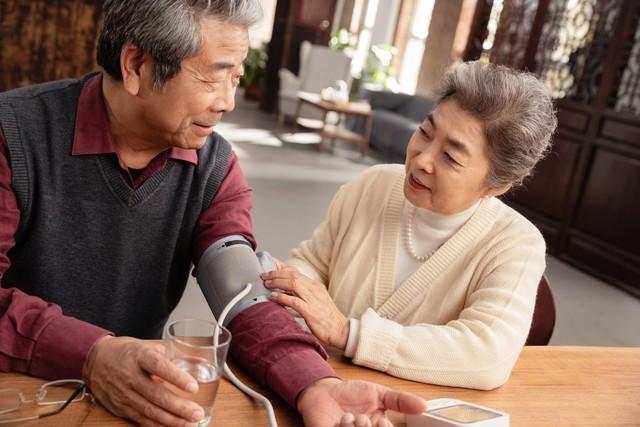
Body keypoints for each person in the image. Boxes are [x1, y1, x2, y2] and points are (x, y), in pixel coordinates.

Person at [0, 1, 427, 426]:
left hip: (134, 399)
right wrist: (91, 354)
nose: (228, 102)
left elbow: (242, 294)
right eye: (213, 75)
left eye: (236, 78)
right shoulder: (13, 135)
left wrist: (315, 384)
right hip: (19, 393)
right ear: (135, 65)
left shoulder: (214, 169)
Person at [262, 60, 557, 390]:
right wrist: (295, 288)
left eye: (451, 157)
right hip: (319, 386)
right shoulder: (371, 186)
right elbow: (314, 263)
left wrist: (349, 334)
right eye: (425, 132)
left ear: (497, 184)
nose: (421, 159)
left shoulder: (516, 244)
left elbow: (488, 355)